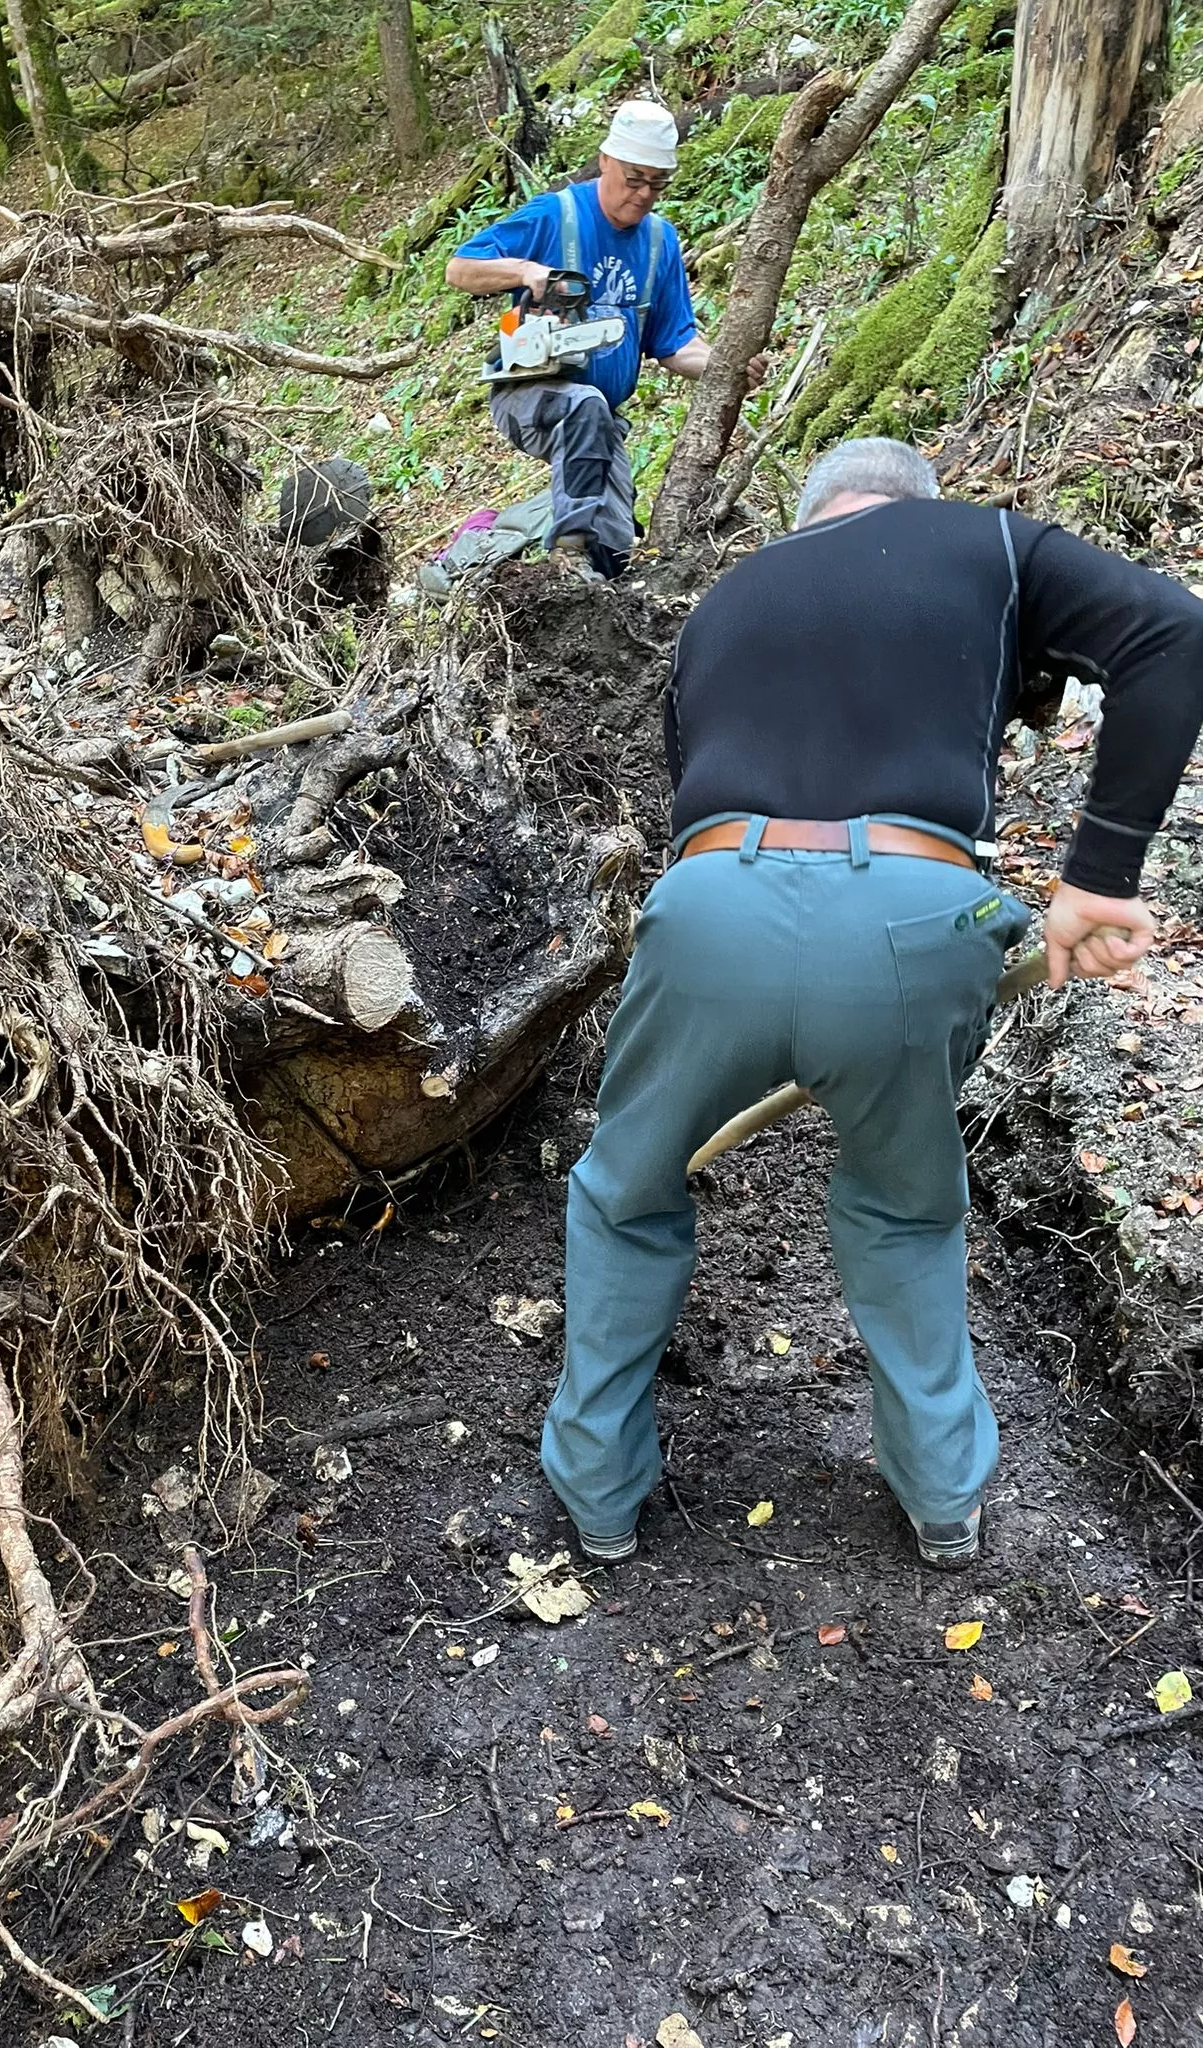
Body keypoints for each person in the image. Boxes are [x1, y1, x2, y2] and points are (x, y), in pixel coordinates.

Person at [542, 436, 1203, 1569]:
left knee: (624, 1190)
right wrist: (1098, 875)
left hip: (709, 906)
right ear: (918, 504)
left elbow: (685, 793)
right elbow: (1175, 632)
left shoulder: (724, 599)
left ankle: (600, 1495)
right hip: (915, 915)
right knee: (903, 1207)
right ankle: (944, 1503)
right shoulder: (988, 539)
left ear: (810, 517)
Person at [445, 100, 710, 582]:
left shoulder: (659, 243)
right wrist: (526, 270)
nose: (644, 194)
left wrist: (728, 364)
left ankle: (483, 545)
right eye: (634, 179)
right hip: (529, 394)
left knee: (614, 544)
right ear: (606, 161)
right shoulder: (557, 215)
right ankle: (565, 555)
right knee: (582, 411)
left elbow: (675, 343)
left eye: (657, 184)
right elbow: (459, 269)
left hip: (601, 416)